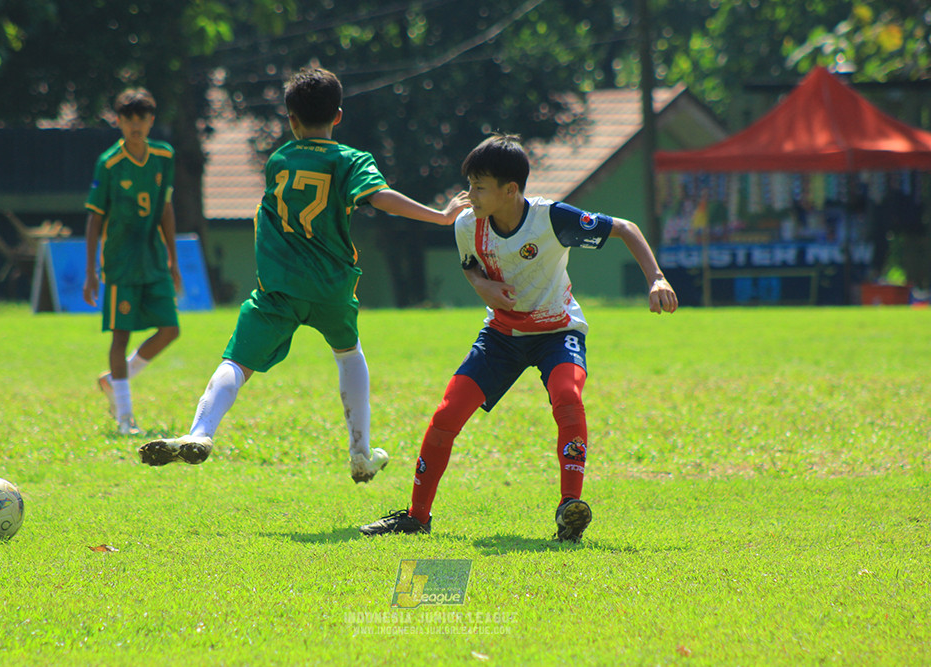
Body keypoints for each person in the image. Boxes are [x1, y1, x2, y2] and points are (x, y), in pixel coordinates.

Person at [138, 67, 470, 482]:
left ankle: (201, 432)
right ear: (338, 116)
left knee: (237, 362)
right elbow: (380, 197)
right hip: (331, 285)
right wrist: (440, 216)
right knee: (349, 354)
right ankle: (361, 453)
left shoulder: (279, 159)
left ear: (291, 119)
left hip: (279, 286)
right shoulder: (350, 159)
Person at [360, 134, 678, 541]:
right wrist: (482, 286)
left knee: (568, 396)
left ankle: (569, 509)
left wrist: (656, 278)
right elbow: (470, 266)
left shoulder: (551, 219)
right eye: (470, 183)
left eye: (479, 186)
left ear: (510, 190)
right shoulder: (467, 224)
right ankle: (416, 516)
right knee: (446, 415)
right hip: (501, 336)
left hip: (557, 332)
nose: (469, 194)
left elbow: (626, 228)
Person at [83, 87, 182, 436]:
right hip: (120, 261)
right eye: (128, 119)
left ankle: (114, 380)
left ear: (151, 120)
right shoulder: (109, 163)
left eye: (141, 118)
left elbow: (166, 208)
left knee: (170, 329)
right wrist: (91, 272)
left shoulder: (164, 156)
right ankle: (125, 418)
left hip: (153, 257)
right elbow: (94, 218)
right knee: (120, 335)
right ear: (119, 121)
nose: (135, 125)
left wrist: (173, 260)